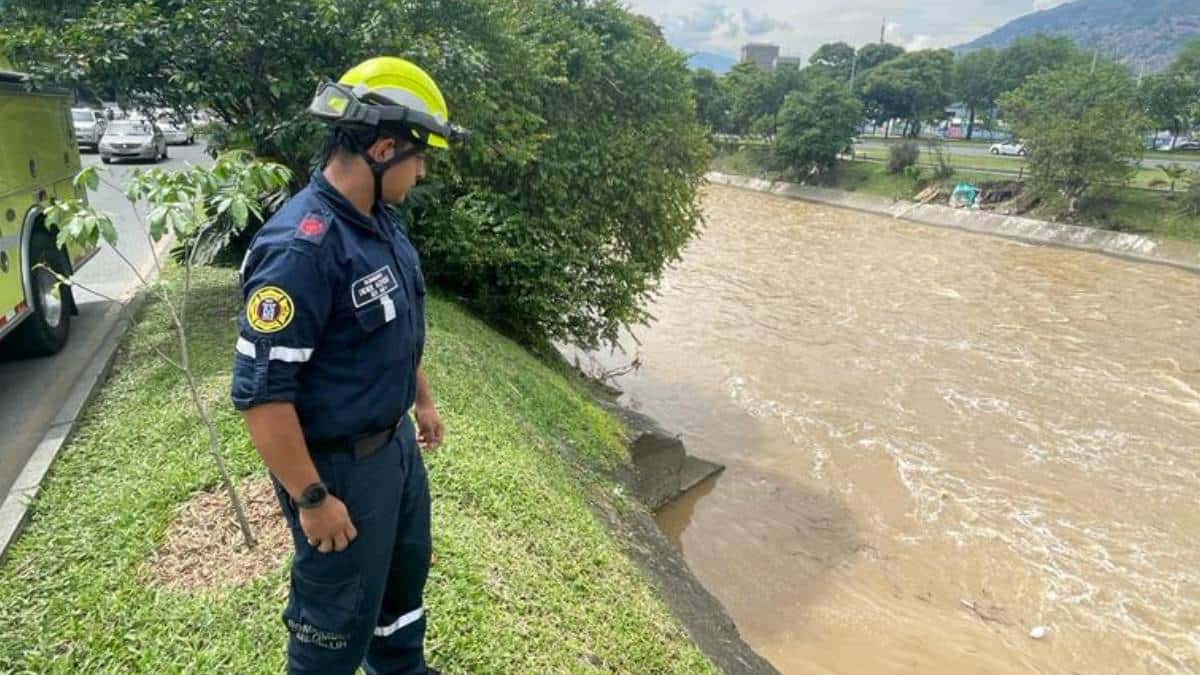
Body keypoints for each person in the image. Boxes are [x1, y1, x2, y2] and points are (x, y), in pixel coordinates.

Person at [231, 56, 468, 674]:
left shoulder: (380, 225)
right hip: (337, 472)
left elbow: (395, 328)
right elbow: (263, 398)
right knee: (331, 625)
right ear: (383, 147)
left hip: (394, 454)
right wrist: (312, 499)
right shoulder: (300, 250)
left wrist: (423, 398)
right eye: (419, 157)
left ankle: (401, 668)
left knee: (402, 584)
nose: (421, 172)